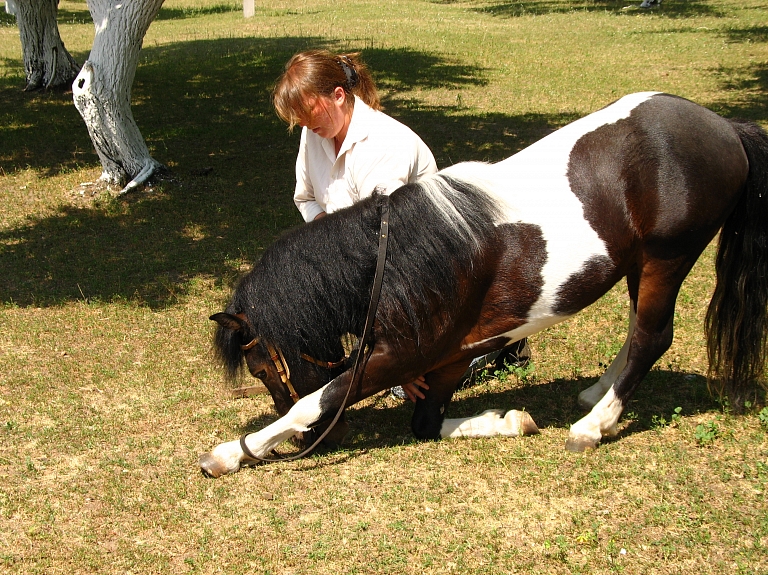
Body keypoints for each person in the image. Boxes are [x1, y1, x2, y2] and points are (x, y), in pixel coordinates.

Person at [273, 49, 437, 401]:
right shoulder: (313, 132)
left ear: (339, 95)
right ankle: (327, 367)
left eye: (309, 113)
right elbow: (305, 198)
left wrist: (398, 360)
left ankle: (415, 357)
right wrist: (325, 234)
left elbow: (386, 245)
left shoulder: (384, 142)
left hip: (410, 264)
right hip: (355, 258)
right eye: (298, 118)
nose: (304, 124)